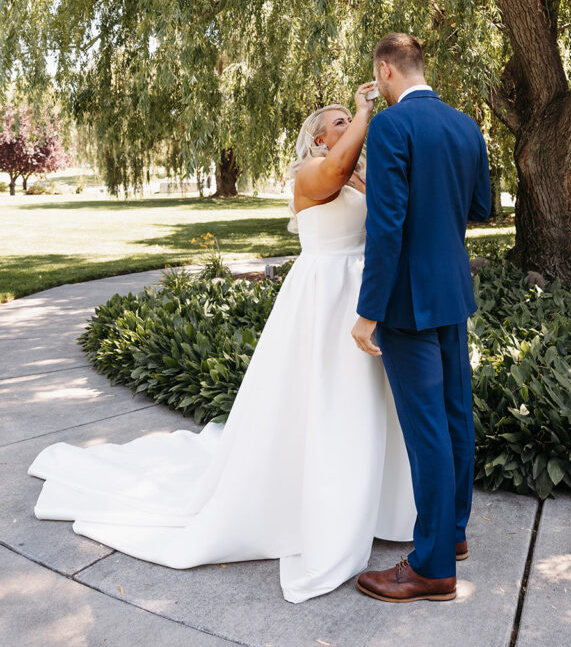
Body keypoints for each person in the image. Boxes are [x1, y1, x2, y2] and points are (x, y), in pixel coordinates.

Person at [27, 84, 416, 604]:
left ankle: (378, 504)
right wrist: (368, 111)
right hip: (321, 300)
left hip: (359, 296)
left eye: (351, 118)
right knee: (324, 402)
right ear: (317, 138)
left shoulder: (360, 175)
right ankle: (319, 506)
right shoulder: (311, 175)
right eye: (339, 121)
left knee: (366, 405)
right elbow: (337, 174)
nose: (349, 124)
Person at [351, 32, 491, 603]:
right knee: (456, 416)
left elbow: (386, 227)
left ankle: (432, 566)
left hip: (407, 299)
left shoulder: (390, 127)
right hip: (453, 294)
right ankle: (452, 533)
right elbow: (480, 207)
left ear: (385, 70)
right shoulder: (465, 126)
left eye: (376, 76)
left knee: (427, 428)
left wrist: (367, 313)